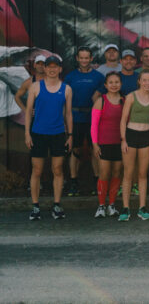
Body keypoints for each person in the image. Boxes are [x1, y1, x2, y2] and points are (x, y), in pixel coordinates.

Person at [25, 55, 73, 220]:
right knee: (37, 170)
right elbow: (28, 113)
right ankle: (36, 206)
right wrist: (27, 134)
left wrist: (70, 135)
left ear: (60, 69)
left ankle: (57, 205)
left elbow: (68, 114)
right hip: (38, 133)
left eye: (55, 67)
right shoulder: (35, 87)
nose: (52, 69)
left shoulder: (66, 89)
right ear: (44, 68)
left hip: (58, 134)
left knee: (57, 169)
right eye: (49, 66)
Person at [64, 47, 105, 197]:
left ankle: (97, 182)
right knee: (75, 150)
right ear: (77, 58)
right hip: (75, 118)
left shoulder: (99, 77)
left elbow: (102, 98)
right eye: (81, 58)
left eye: (87, 58)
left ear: (91, 58)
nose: (84, 60)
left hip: (93, 118)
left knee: (96, 150)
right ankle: (74, 182)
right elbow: (65, 100)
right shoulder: (70, 77)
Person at [119, 70, 149, 221]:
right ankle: (125, 208)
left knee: (142, 174)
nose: (147, 83)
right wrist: (123, 139)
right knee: (128, 173)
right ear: (139, 81)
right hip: (131, 135)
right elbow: (123, 120)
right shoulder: (131, 96)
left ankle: (142, 207)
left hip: (146, 136)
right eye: (144, 80)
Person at [91, 72, 123, 218]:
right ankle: (101, 206)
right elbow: (94, 125)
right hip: (104, 143)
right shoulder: (101, 101)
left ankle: (112, 205)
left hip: (120, 143)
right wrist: (95, 144)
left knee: (117, 173)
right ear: (105, 85)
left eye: (117, 82)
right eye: (111, 82)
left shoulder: (124, 101)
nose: (114, 85)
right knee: (104, 174)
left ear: (120, 84)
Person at [14, 55, 46, 125]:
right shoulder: (29, 82)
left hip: (50, 117)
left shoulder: (52, 81)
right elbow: (17, 97)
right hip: (35, 119)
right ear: (34, 65)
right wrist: (26, 110)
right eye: (38, 64)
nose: (40, 66)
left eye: (43, 64)